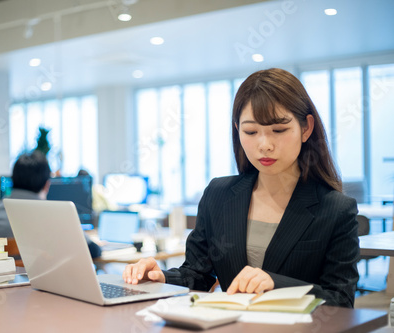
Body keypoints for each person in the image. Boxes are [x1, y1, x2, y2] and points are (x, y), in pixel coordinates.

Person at [123, 68, 359, 308]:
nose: (265, 145)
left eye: (279, 130)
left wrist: (275, 284)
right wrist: (161, 277)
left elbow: (341, 301)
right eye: (251, 131)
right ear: (238, 130)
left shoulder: (336, 209)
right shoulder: (219, 194)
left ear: (306, 128)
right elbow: (198, 275)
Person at [0, 151, 101, 259]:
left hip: (3, 279)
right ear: (47, 185)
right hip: (43, 280)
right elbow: (93, 250)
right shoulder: (54, 215)